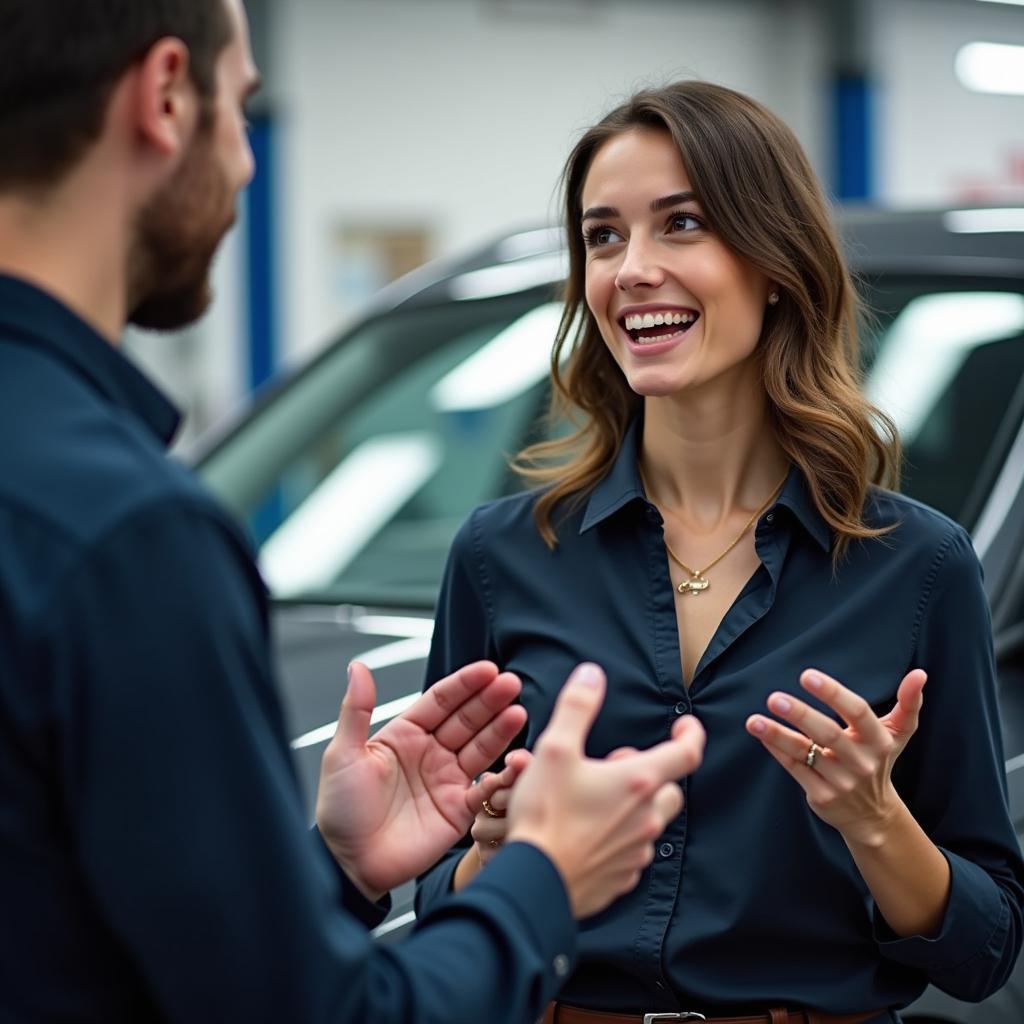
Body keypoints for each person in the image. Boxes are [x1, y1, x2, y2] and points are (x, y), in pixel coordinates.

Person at [0, 4, 709, 1022]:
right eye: (241, 111)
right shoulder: (127, 536)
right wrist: (542, 875)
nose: (247, 165)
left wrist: (332, 866)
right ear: (163, 96)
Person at [417, 81, 1024, 1022]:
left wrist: (874, 820)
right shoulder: (501, 557)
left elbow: (987, 950)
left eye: (683, 224)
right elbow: (435, 908)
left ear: (775, 261)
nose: (632, 270)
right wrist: (495, 857)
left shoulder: (918, 566)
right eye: (604, 236)